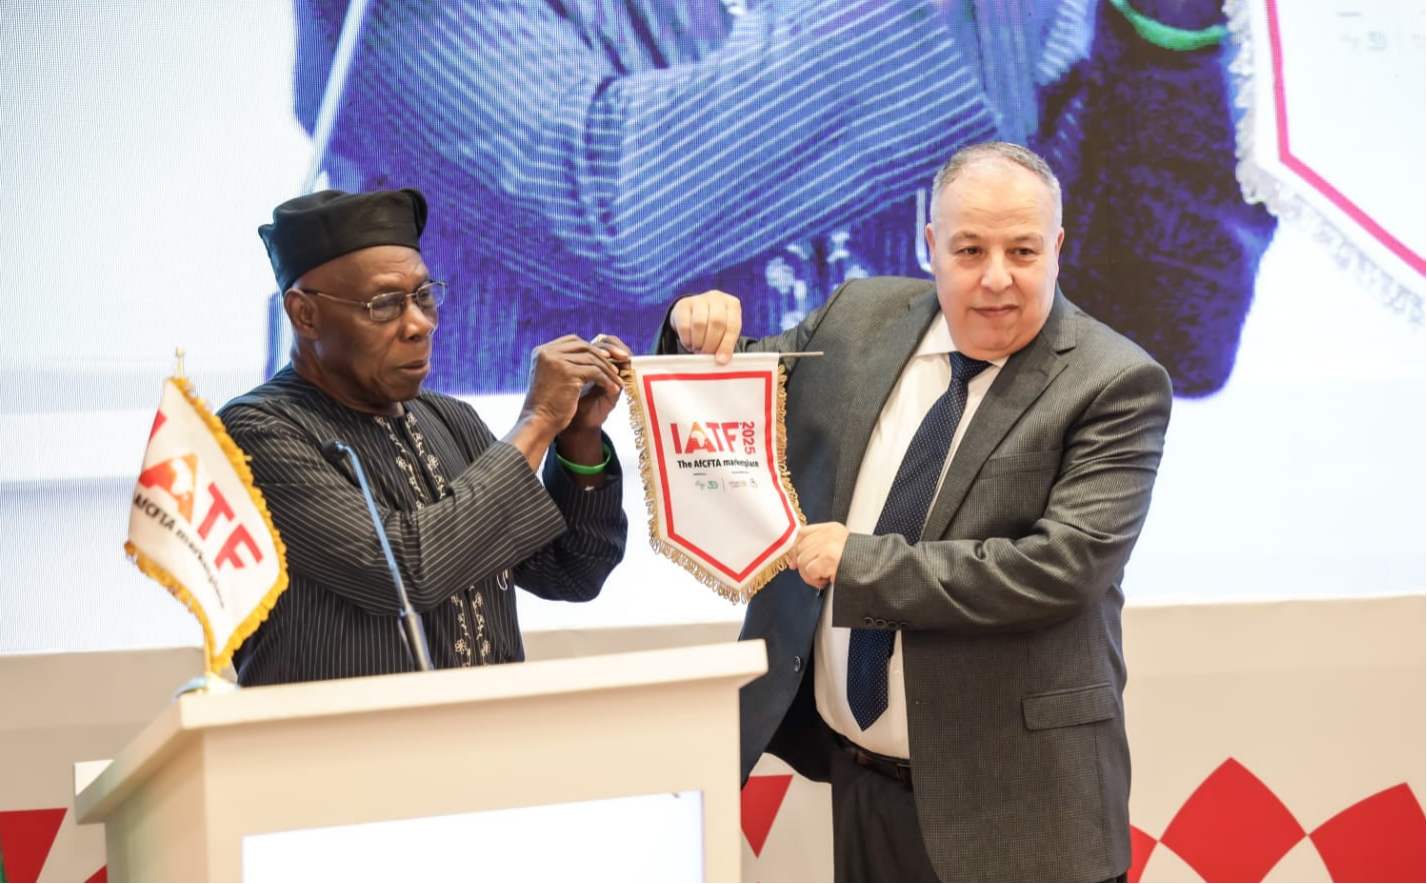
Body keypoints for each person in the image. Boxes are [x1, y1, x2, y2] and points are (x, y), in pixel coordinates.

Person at [284, 0, 1273, 397]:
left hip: (904, 604)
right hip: (557, 609)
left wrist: (1166, 35)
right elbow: (612, 208)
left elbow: (1164, 330)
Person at [661, 142, 1172, 883]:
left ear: (1057, 247)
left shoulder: (1115, 381)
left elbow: (1061, 569)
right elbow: (733, 387)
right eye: (969, 250)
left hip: (1021, 805)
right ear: (929, 244)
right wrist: (692, 334)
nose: (996, 277)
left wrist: (857, 562)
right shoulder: (858, 317)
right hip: (860, 781)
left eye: (1022, 251)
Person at [219, 187, 630, 686]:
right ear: (305, 315)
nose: (420, 324)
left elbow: (573, 571)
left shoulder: (450, 419)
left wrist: (577, 433)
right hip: (344, 736)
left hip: (491, 730)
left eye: (424, 297)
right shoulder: (257, 431)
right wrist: (538, 420)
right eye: (384, 304)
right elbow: (405, 572)